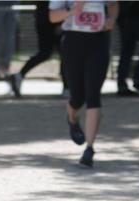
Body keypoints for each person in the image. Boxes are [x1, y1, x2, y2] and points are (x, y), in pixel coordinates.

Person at [50, 0, 117, 168]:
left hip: (98, 41)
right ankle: (72, 120)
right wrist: (72, 10)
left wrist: (112, 19)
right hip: (73, 41)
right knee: (77, 97)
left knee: (93, 94)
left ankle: (89, 148)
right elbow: (52, 17)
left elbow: (114, 5)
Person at [7, 1, 65, 97]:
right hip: (49, 21)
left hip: (47, 20)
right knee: (51, 53)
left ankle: (67, 87)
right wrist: (60, 23)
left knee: (58, 54)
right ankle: (67, 88)